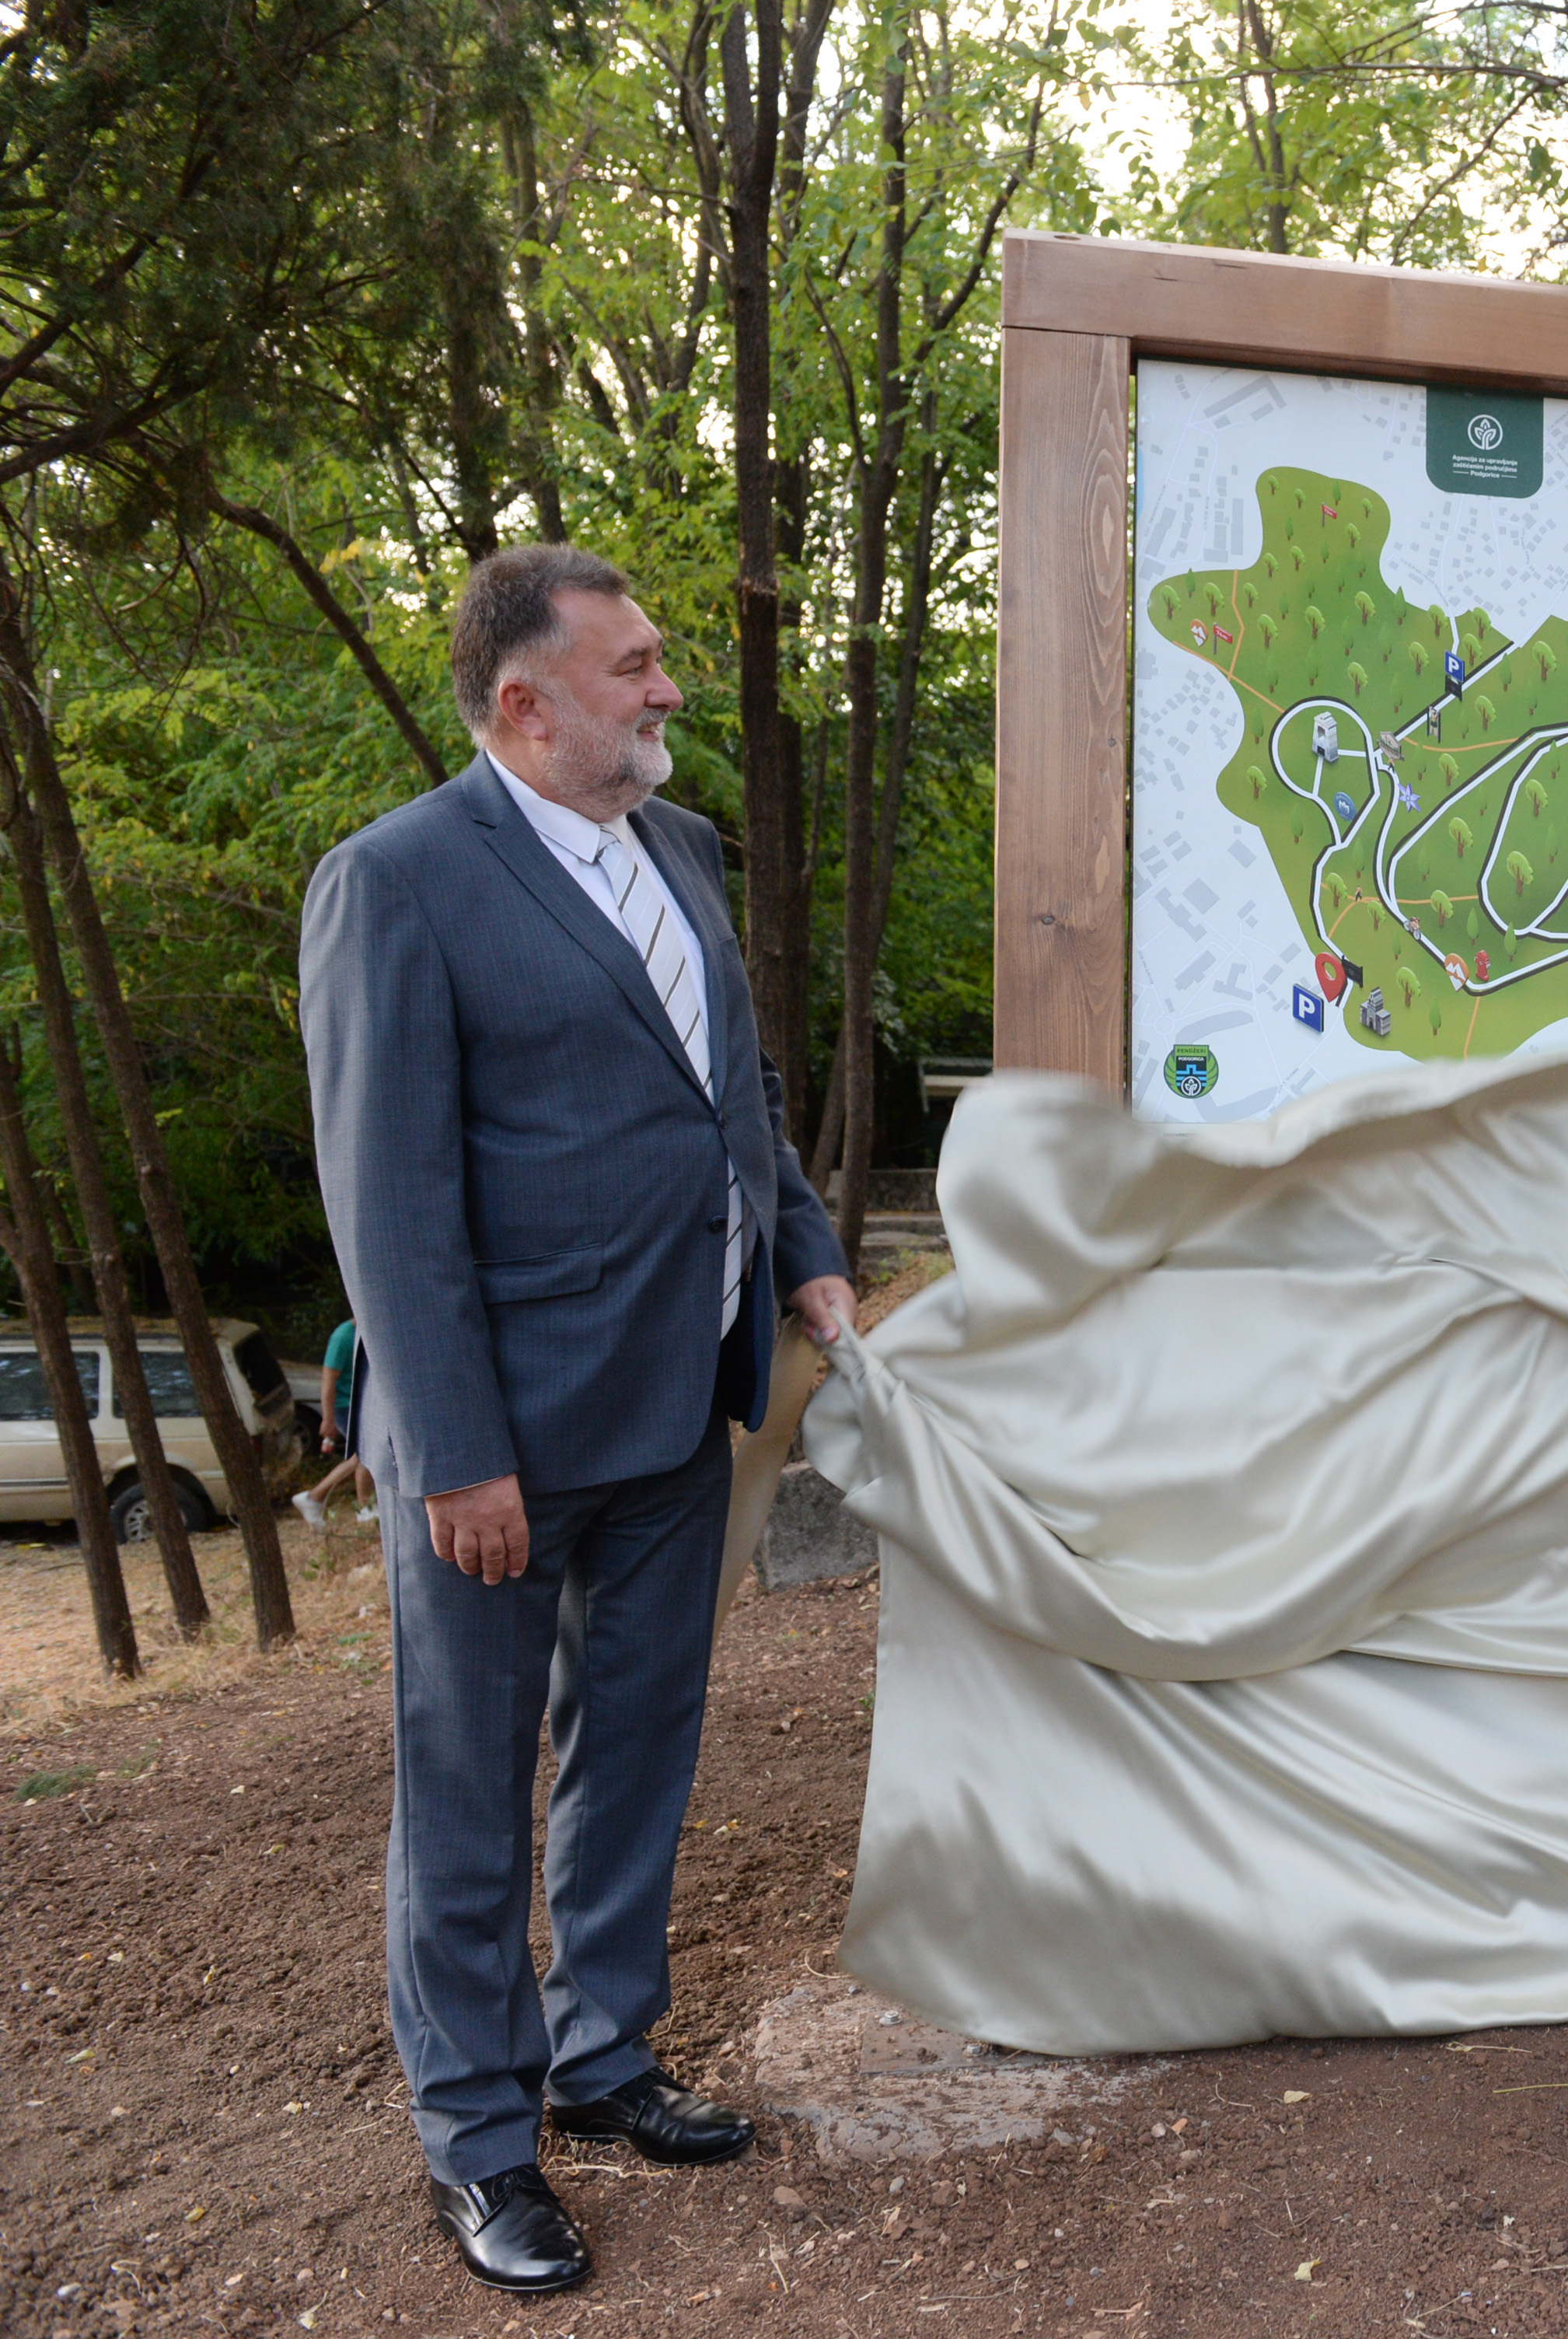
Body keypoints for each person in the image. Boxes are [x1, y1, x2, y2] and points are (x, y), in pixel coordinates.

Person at [300, 545, 854, 2295]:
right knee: (467, 1798)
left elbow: (736, 1103)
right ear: (524, 705)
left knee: (638, 1754)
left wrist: (810, 1261)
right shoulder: (396, 884)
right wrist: (455, 1452)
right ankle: (480, 2138)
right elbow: (387, 1202)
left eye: (660, 659)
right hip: (502, 1453)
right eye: (632, 668)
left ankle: (605, 2060)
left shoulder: (679, 851)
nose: (668, 688)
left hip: (680, 1409)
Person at [295, 1316, 369, 1526]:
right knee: (365, 1456)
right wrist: (328, 1419)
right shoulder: (342, 1337)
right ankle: (366, 1508)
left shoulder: (370, 1329)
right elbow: (328, 1381)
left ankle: (314, 1498)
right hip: (345, 1406)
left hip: (362, 1404)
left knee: (362, 1456)